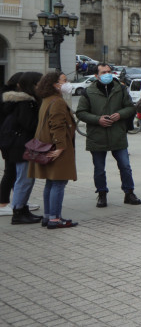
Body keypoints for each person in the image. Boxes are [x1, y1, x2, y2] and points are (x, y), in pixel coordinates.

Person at [76, 63, 141, 208]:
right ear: (96, 76)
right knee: (99, 169)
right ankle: (102, 194)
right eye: (104, 72)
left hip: (117, 133)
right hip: (97, 136)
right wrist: (97, 119)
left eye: (109, 71)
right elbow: (81, 112)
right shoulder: (89, 91)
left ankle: (129, 193)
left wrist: (120, 114)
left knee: (125, 166)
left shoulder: (121, 88)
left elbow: (130, 107)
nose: (108, 74)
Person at [30, 71, 79, 228]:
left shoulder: (47, 99)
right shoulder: (57, 101)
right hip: (56, 147)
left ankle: (48, 216)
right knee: (58, 182)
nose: (67, 83)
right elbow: (56, 125)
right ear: (55, 84)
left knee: (51, 183)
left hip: (47, 145)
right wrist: (60, 147)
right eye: (64, 81)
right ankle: (55, 219)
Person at [0, 72, 44, 224]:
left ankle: (22, 208)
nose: (41, 86)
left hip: (19, 145)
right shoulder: (25, 103)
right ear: (32, 85)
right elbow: (30, 125)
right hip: (21, 146)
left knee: (24, 178)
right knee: (24, 179)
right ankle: (18, 212)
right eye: (39, 83)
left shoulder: (23, 101)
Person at [0, 72, 23, 217]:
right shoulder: (9, 99)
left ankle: (18, 200)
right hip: (8, 139)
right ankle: (2, 203)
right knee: (10, 171)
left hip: (8, 138)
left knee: (15, 171)